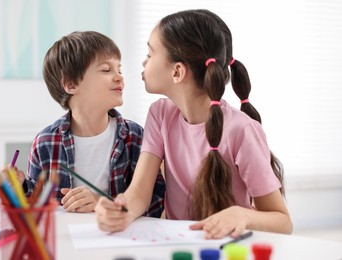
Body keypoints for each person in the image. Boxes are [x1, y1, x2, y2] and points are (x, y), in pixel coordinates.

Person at [95, 9, 293, 238]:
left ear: (177, 71)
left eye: (150, 54)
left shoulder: (242, 130)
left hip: (229, 248)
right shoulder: (160, 114)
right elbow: (139, 193)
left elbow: (283, 221)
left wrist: (242, 215)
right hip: (180, 244)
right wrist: (121, 211)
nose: (144, 61)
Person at [2, 31, 165, 217]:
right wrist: (21, 186)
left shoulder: (133, 136)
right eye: (106, 70)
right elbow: (39, 202)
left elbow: (155, 201)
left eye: (119, 70)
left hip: (119, 237)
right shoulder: (45, 142)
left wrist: (102, 203)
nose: (119, 77)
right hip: (68, 240)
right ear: (71, 85)